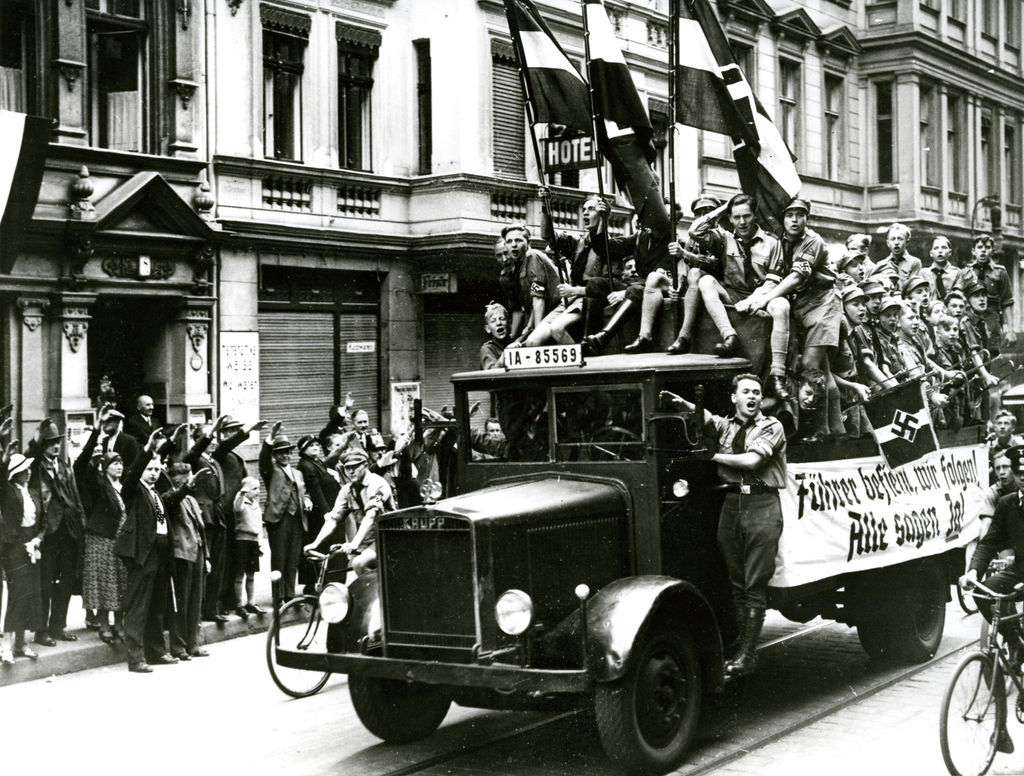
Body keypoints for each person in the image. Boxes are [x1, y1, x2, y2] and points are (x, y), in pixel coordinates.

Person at [660, 374, 786, 677]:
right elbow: (707, 418)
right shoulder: (728, 425)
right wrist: (683, 403)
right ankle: (740, 646)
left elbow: (753, 462)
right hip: (732, 504)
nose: (752, 397)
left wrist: (713, 455)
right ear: (735, 398)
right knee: (736, 581)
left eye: (756, 392)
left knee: (754, 583)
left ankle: (747, 654)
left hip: (761, 505)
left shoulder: (771, 426)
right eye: (745, 392)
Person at [744, 197, 845, 438]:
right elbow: (775, 275)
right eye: (790, 215)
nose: (795, 220)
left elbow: (797, 277)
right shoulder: (783, 242)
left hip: (822, 305)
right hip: (802, 306)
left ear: (807, 219)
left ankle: (821, 430)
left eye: (800, 215)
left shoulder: (813, 241)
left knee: (811, 367)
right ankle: (836, 429)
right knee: (823, 370)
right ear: (783, 219)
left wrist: (766, 299)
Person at [693, 193, 790, 398]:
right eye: (736, 217)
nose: (742, 222)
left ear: (755, 215)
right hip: (733, 295)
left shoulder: (772, 242)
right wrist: (722, 208)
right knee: (705, 281)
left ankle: (777, 376)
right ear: (729, 218)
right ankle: (729, 336)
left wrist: (753, 300)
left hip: (764, 297)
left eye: (746, 216)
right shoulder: (724, 238)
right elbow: (695, 231)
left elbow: (773, 280)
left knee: (782, 305)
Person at [961, 486, 1024, 754]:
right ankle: (1016, 641)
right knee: (982, 592)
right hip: (1019, 571)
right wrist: (973, 571)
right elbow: (989, 542)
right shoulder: (1008, 503)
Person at [184, 414, 264, 624]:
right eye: (207, 440)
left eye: (213, 440)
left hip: (217, 516)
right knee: (207, 564)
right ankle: (203, 608)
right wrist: (211, 434)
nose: (212, 444)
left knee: (218, 564)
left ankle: (212, 607)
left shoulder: (213, 460)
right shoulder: (196, 458)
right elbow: (196, 451)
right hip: (205, 517)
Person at [115, 429, 177, 673]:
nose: (155, 472)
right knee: (138, 607)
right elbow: (130, 477)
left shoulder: (155, 494)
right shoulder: (134, 489)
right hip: (142, 554)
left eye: (157, 469)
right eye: (150, 469)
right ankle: (136, 657)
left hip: (160, 554)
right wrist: (148, 450)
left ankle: (157, 651)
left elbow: (161, 522)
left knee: (156, 606)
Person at [29, 422, 85, 646]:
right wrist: (37, 438)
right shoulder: (35, 465)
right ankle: (41, 630)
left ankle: (58, 626)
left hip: (68, 529)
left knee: (67, 580)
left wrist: (81, 521)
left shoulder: (64, 466)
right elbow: (30, 452)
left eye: (57, 442)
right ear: (43, 445)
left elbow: (75, 495)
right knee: (45, 581)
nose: (55, 446)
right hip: (47, 530)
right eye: (51, 443)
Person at [74, 425, 128, 644]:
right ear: (104, 467)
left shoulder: (124, 486)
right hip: (102, 540)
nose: (119, 467)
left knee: (122, 582)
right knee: (105, 583)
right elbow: (79, 467)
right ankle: (104, 624)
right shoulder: (98, 485)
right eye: (114, 463)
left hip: (122, 540)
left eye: (121, 463)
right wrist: (96, 433)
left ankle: (120, 623)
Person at [305, 447, 395, 577]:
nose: (351, 471)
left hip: (387, 537)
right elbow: (333, 519)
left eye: (356, 466)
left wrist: (354, 544)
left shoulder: (378, 484)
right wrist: (316, 543)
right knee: (355, 566)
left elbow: (371, 516)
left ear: (365, 465)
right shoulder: (347, 490)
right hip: (367, 540)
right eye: (347, 468)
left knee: (360, 563)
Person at [663, 192, 727, 355]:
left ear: (716, 215)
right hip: (696, 287)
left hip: (719, 286)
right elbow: (686, 268)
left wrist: (684, 254)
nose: (702, 216)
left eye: (707, 211)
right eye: (698, 213)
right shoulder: (693, 241)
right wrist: (676, 285)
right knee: (690, 275)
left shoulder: (721, 235)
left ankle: (684, 337)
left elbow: (712, 263)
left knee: (696, 273)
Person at [0, 447, 44, 664]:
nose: (28, 472)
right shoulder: (9, 491)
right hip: (14, 547)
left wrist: (37, 540)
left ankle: (20, 643)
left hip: (32, 546)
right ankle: (5, 645)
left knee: (29, 595)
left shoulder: (33, 493)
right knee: (17, 594)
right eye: (23, 469)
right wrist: (5, 456)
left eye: (28, 468)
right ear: (14, 473)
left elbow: (42, 523)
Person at [259, 424, 311, 601]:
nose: (286, 455)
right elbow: (263, 459)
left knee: (293, 558)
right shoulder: (271, 470)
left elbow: (304, 492)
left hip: (297, 519)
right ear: (274, 455)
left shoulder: (298, 473)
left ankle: (289, 595)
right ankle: (277, 596)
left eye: (288, 452)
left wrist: (308, 501)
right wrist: (270, 437)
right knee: (279, 558)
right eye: (281, 452)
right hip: (279, 519)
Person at [164, 461, 208, 661]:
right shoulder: (170, 497)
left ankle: (193, 643)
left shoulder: (191, 499)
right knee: (180, 603)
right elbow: (173, 500)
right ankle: (179, 646)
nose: (193, 481)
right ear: (179, 480)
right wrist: (185, 489)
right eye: (189, 478)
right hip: (181, 555)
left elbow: (200, 530)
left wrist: (206, 556)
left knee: (195, 601)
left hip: (196, 553)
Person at [500, 223, 562, 345]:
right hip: (546, 313)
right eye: (509, 241)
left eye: (518, 240)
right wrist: (529, 326)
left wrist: (537, 333)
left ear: (528, 243)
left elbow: (538, 299)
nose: (513, 245)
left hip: (558, 308)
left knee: (533, 342)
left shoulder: (532, 256)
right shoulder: (519, 264)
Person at [296, 434, 339, 592]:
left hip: (323, 512)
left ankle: (319, 582)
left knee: (322, 548)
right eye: (311, 446)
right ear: (304, 450)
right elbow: (315, 490)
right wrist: (326, 512)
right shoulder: (306, 465)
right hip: (318, 515)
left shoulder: (316, 462)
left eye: (317, 445)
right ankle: (310, 585)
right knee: (317, 548)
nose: (316, 448)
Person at [962, 233, 1015, 351]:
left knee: (992, 356)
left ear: (993, 251)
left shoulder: (1000, 272)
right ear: (973, 251)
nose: (983, 251)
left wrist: (1010, 330)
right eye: (979, 247)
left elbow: (1007, 301)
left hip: (991, 321)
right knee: (971, 356)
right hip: (970, 321)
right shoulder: (965, 272)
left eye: (987, 248)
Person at [232, 477, 264, 617]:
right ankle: (239, 604)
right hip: (242, 541)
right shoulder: (241, 501)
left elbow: (259, 525)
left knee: (251, 574)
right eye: (254, 489)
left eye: (258, 488)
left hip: (253, 541)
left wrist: (260, 543)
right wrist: (242, 493)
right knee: (240, 574)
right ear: (246, 489)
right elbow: (237, 507)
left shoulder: (255, 504)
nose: (258, 491)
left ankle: (251, 602)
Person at [870, 223, 923, 289]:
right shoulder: (882, 264)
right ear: (888, 243)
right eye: (893, 239)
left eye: (900, 239)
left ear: (907, 242)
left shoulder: (914, 263)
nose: (896, 243)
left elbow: (913, 288)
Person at [925, 235, 963, 303]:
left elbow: (958, 296)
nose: (940, 251)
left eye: (944, 248)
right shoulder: (924, 273)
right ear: (931, 253)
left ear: (950, 252)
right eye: (936, 248)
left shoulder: (956, 273)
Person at [480, 302, 511, 370]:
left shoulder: (515, 343)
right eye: (493, 321)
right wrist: (507, 353)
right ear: (488, 329)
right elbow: (491, 373)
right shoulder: (486, 349)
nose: (498, 323)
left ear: (509, 323)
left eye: (502, 319)